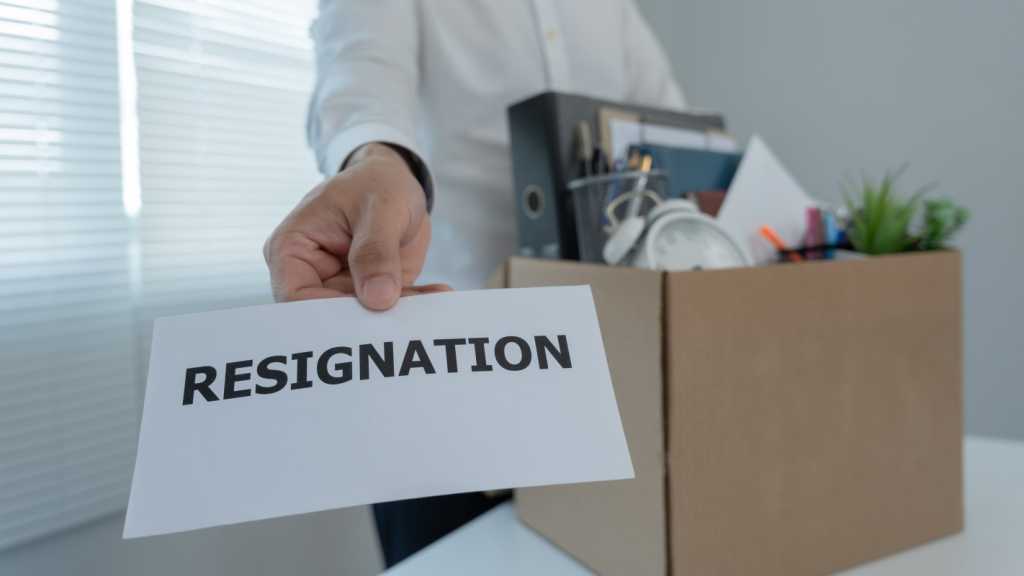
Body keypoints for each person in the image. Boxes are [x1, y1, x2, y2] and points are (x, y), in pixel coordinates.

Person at [264, 0, 686, 567]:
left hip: (602, 370)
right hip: (435, 361)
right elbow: (360, 75)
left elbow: (676, 132)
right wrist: (375, 160)